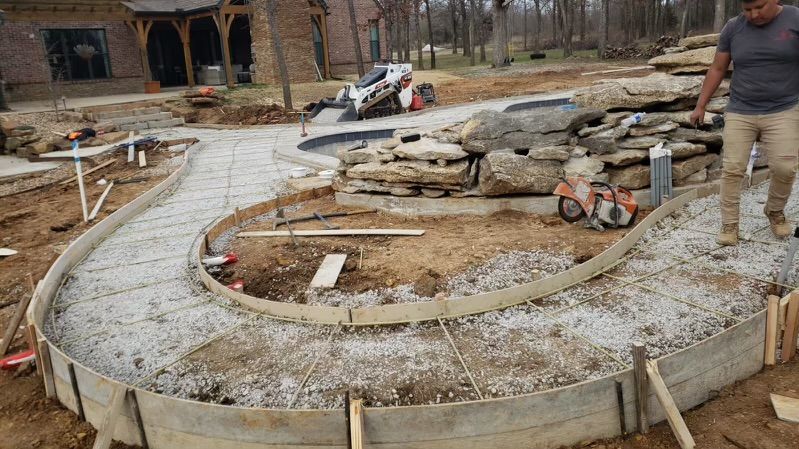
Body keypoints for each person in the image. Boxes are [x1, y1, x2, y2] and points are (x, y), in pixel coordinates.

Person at [690, 0, 799, 246]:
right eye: (747, 9)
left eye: (759, 7)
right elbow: (718, 68)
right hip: (741, 110)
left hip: (784, 108)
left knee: (785, 168)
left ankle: (774, 210)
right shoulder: (733, 28)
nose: (753, 14)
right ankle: (729, 223)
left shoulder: (795, 19)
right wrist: (700, 105)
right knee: (732, 168)